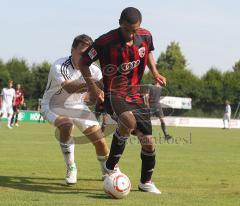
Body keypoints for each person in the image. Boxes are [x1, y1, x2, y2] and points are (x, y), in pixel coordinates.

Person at [79, 7, 166, 194]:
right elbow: (83, 62)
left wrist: (155, 72)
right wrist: (93, 87)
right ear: (120, 23)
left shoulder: (146, 36)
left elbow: (148, 51)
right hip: (114, 94)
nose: (131, 34)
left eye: (134, 30)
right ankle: (111, 167)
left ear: (140, 26)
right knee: (128, 121)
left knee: (149, 143)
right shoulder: (104, 42)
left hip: (135, 95)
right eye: (127, 29)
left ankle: (145, 182)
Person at [41, 34, 111, 184]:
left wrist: (100, 97)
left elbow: (92, 97)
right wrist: (93, 85)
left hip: (77, 106)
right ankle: (71, 166)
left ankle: (108, 172)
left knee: (99, 140)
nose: (84, 57)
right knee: (66, 124)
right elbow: (70, 87)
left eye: (88, 54)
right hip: (53, 105)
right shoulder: (60, 66)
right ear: (72, 50)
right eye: (81, 53)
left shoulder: (95, 70)